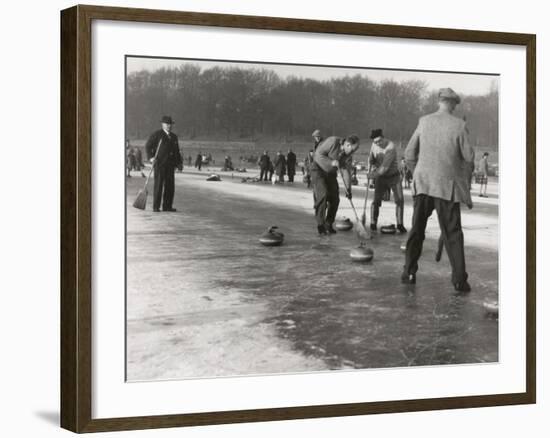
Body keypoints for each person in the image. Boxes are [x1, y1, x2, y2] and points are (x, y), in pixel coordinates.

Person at [402, 88, 475, 292]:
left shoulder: (423, 121)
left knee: (417, 230)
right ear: (452, 104)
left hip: (423, 185)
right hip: (447, 189)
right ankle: (459, 280)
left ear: (439, 102)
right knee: (453, 234)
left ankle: (409, 272)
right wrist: (464, 181)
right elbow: (469, 158)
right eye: (455, 104)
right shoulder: (460, 125)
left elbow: (409, 153)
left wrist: (417, 172)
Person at [311, 135, 361, 235]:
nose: (352, 153)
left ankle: (328, 224)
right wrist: (331, 162)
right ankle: (320, 224)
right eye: (352, 150)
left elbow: (346, 172)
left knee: (335, 199)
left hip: (331, 174)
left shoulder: (348, 157)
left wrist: (348, 189)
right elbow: (317, 155)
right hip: (318, 170)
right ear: (347, 144)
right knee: (323, 194)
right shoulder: (333, 142)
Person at [367, 129, 407, 233]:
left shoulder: (391, 147)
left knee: (400, 199)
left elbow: (384, 168)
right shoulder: (374, 145)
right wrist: (371, 160)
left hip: (393, 176)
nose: (378, 143)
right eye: (375, 142)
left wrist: (372, 176)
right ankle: (373, 223)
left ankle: (400, 224)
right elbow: (371, 159)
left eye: (379, 141)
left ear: (383, 137)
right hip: (381, 177)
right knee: (376, 200)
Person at [145, 116, 183, 212]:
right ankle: (156, 207)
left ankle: (167, 206)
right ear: (162, 124)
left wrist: (179, 163)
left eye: (170, 124)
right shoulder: (157, 135)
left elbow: (177, 152)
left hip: (171, 165)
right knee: (159, 186)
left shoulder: (174, 137)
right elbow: (148, 146)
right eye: (167, 124)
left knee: (170, 187)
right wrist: (151, 158)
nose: (169, 126)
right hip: (160, 164)